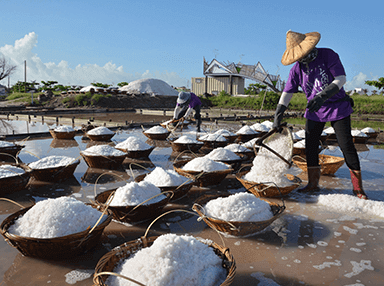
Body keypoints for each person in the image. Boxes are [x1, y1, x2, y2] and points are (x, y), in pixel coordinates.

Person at [272, 30, 368, 200]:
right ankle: (313, 184)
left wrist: (322, 96)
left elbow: (341, 79)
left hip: (337, 106)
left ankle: (358, 188)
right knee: (310, 146)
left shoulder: (328, 55)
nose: (302, 58)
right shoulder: (296, 69)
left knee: (346, 145)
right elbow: (287, 92)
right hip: (315, 109)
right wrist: (278, 114)